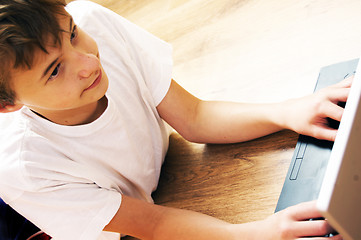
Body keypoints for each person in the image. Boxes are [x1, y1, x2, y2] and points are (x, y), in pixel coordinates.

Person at [0, 0, 350, 239]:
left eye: (73, 33)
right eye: (56, 70)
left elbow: (195, 117)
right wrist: (253, 232)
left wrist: (287, 110)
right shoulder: (25, 168)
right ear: (8, 103)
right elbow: (151, 224)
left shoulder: (92, 19)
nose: (88, 62)